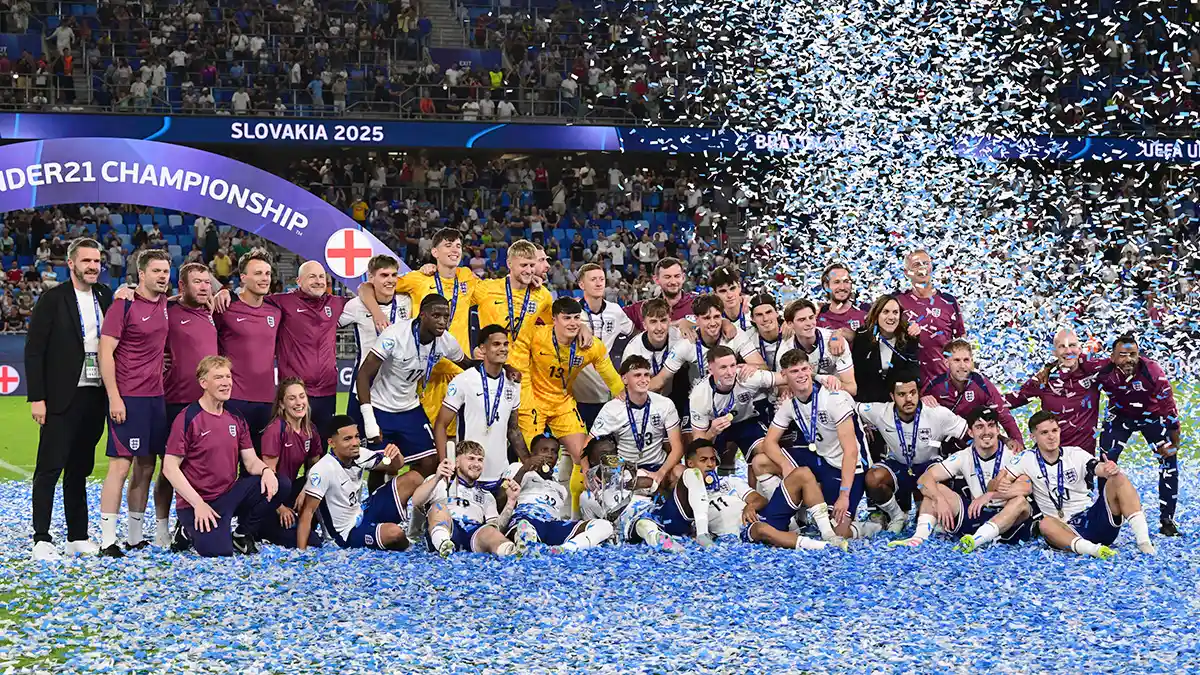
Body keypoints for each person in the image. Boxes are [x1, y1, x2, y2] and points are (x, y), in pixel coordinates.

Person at [27, 238, 112, 561]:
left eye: (97, 261)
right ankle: (41, 538)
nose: (93, 266)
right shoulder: (53, 299)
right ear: (71, 264)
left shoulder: (105, 296)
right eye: (87, 261)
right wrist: (38, 398)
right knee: (49, 468)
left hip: (96, 394)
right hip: (62, 396)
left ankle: (77, 536)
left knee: (79, 469)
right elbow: (34, 351)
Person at [509, 297, 625, 517]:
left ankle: (575, 516)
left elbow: (613, 380)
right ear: (554, 319)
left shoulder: (590, 345)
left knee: (583, 456)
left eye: (576, 318)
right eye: (566, 318)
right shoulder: (536, 335)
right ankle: (521, 510)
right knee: (531, 457)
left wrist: (629, 399)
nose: (572, 323)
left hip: (563, 402)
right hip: (533, 401)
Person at [161, 356, 286, 557]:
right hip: (198, 502)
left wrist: (266, 471)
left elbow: (250, 461)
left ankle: (242, 533)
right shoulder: (188, 418)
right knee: (218, 551)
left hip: (228, 495)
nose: (226, 382)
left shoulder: (235, 417)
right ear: (203, 383)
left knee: (281, 484)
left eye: (228, 377)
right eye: (219, 377)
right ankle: (186, 530)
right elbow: (169, 467)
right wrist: (198, 504)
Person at [996, 410, 1157, 558]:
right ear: (1033, 437)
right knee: (1045, 524)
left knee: (1118, 478)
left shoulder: (1075, 453)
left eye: (1054, 431)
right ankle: (1095, 551)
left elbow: (1097, 467)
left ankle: (1144, 542)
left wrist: (1108, 469)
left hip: (1092, 519)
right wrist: (1003, 486)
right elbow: (1001, 482)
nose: (1051, 436)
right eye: (1044, 433)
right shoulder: (1026, 458)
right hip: (1063, 530)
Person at [97, 249, 172, 557]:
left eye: (166, 271)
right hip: (128, 397)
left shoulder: (165, 303)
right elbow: (105, 353)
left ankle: (134, 536)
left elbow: (193, 295)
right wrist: (114, 396)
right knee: (120, 466)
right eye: (156, 271)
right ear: (141, 274)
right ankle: (107, 541)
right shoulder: (123, 305)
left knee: (147, 466)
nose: (163, 276)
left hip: (156, 397)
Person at [756, 352, 874, 541]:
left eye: (804, 369)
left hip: (847, 465)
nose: (801, 375)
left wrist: (844, 495)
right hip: (819, 457)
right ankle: (793, 516)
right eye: (794, 371)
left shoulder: (834, 397)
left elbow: (851, 451)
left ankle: (867, 528)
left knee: (839, 531)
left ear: (810, 369)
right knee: (761, 462)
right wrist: (786, 467)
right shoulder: (790, 404)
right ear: (784, 375)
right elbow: (769, 442)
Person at [356, 295, 479, 475]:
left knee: (430, 461)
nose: (442, 322)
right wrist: (369, 420)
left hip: (409, 407)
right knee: (385, 464)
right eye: (436, 316)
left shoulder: (447, 341)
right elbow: (363, 375)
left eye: (446, 316)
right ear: (422, 315)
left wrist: (502, 366)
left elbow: (468, 365)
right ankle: (383, 492)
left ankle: (408, 491)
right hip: (380, 406)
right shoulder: (395, 335)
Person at [892, 409, 1034, 551]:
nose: (986, 432)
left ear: (998, 430)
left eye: (991, 426)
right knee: (935, 489)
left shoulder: (1013, 455)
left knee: (1020, 502)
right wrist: (939, 499)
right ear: (971, 432)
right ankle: (918, 538)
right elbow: (923, 479)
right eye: (979, 427)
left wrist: (991, 495)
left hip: (1008, 518)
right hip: (976, 513)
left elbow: (1026, 487)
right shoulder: (963, 456)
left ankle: (976, 541)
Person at [857, 371, 968, 533]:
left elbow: (968, 434)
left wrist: (1002, 442)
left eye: (912, 393)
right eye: (902, 394)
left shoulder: (937, 413)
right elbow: (851, 408)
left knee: (941, 475)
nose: (909, 399)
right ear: (892, 396)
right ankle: (897, 516)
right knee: (873, 478)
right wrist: (862, 424)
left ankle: (927, 515)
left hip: (928, 467)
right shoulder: (880, 412)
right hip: (898, 466)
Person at [1094, 334, 1182, 535]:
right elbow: (1078, 364)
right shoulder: (1103, 369)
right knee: (1106, 462)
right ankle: (1104, 514)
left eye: (1133, 354)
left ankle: (1167, 520)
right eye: (1122, 355)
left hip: (1152, 417)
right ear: (1112, 357)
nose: (1129, 359)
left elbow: (1169, 406)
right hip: (1119, 417)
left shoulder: (1152, 371)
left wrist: (1174, 443)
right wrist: (1047, 369)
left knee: (1169, 461)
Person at [157, 262, 217, 546]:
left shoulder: (214, 311)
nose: (204, 287)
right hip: (174, 401)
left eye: (207, 282)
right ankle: (161, 527)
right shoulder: (166, 310)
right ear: (182, 286)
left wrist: (222, 292)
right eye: (197, 282)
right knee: (169, 467)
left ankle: (190, 523)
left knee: (203, 468)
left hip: (207, 405)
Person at [296, 415, 415, 551]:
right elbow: (307, 513)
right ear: (332, 443)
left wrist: (396, 455)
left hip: (361, 511)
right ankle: (407, 547)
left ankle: (417, 529)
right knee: (395, 533)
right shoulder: (322, 470)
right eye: (347, 439)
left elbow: (394, 465)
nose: (355, 443)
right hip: (346, 534)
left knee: (413, 479)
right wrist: (301, 552)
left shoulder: (360, 454)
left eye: (357, 436)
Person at [435, 324, 526, 491]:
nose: (503, 349)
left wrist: (528, 462)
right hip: (467, 475)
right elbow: (441, 425)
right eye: (496, 344)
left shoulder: (513, 382)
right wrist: (445, 463)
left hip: (500, 475)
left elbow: (513, 430)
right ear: (483, 348)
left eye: (505, 344)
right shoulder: (463, 381)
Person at [213, 249, 281, 448]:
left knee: (260, 461)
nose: (265, 278)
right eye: (258, 273)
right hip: (233, 398)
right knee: (226, 460)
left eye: (267, 273)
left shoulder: (275, 310)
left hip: (267, 400)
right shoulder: (225, 306)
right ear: (243, 277)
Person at [340, 255, 410, 443]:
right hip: (364, 387)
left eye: (394, 275)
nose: (390, 280)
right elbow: (329, 327)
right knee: (355, 444)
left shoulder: (406, 301)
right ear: (371, 278)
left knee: (393, 447)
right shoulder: (355, 306)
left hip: (396, 390)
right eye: (384, 275)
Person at [589, 356, 684, 488]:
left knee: (681, 473)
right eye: (637, 375)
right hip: (626, 468)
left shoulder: (665, 404)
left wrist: (661, 472)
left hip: (658, 465)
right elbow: (588, 443)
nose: (643, 380)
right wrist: (587, 472)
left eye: (646, 375)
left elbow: (677, 447)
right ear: (624, 379)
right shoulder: (612, 409)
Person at [414, 441, 522, 557]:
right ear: (456, 461)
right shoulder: (439, 482)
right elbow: (416, 501)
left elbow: (497, 528)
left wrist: (511, 502)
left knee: (490, 531)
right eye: (471, 458)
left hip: (473, 534)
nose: (476, 464)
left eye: (480, 460)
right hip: (446, 529)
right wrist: (436, 478)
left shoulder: (486, 496)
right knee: (438, 508)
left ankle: (511, 552)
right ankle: (444, 545)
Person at [1005, 328, 1105, 454]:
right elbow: (1007, 402)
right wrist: (1006, 438)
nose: (1068, 351)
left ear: (1079, 349)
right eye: (1062, 346)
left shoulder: (1094, 374)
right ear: (1054, 352)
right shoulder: (1043, 379)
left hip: (1083, 458)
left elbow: (1120, 364)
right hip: (1049, 456)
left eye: (1072, 345)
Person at [506, 436, 615, 551]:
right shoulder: (518, 468)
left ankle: (563, 550)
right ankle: (527, 544)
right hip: (526, 519)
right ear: (532, 453)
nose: (549, 455)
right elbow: (501, 499)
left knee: (605, 526)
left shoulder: (560, 488)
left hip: (552, 525)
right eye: (544, 450)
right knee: (524, 527)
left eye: (554, 451)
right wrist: (524, 468)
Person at [846, 295, 921, 462]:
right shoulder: (863, 336)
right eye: (886, 312)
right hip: (870, 408)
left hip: (897, 407)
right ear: (876, 314)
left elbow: (912, 373)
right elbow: (859, 378)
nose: (891, 317)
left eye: (895, 312)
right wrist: (863, 418)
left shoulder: (909, 337)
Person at [920, 339, 1024, 452]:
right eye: (956, 360)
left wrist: (1017, 441)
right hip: (941, 444)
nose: (962, 366)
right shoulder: (935, 386)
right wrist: (922, 399)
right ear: (946, 363)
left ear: (972, 362)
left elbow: (1003, 414)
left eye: (966, 360)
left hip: (974, 440)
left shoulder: (981, 384)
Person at [688, 345, 780, 473]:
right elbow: (697, 442)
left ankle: (760, 485)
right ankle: (715, 482)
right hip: (716, 427)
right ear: (710, 370)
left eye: (732, 365)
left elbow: (785, 377)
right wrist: (712, 432)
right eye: (723, 367)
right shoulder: (699, 395)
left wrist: (786, 391)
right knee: (701, 459)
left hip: (746, 421)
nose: (730, 372)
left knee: (765, 453)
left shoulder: (747, 375)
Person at [650, 294, 762, 394]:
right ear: (696, 320)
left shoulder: (735, 335)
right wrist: (639, 390)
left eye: (716, 317)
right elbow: (660, 380)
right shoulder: (686, 344)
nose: (713, 323)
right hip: (699, 399)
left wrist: (753, 367)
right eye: (707, 318)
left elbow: (762, 366)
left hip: (732, 396)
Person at [259, 378, 323, 548]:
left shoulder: (310, 430)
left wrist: (306, 489)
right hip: (270, 498)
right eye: (292, 398)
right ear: (282, 404)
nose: (299, 402)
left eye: (302, 396)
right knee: (311, 542)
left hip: (290, 492)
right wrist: (280, 507)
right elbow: (267, 476)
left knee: (323, 482)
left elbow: (316, 469)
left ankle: (321, 526)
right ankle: (261, 528)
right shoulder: (275, 430)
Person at [573, 263, 634, 427]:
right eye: (593, 279)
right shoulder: (572, 313)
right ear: (581, 285)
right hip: (578, 391)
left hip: (607, 388)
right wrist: (580, 325)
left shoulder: (615, 310)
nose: (599, 283)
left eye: (601, 279)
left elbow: (632, 333)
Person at [894, 249, 964, 387]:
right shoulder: (898, 301)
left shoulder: (949, 301)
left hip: (944, 383)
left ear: (931, 267)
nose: (922, 268)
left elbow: (961, 340)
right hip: (909, 386)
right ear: (906, 272)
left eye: (926, 263)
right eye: (916, 265)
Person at [470, 239, 554, 345]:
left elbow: (558, 326)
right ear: (510, 264)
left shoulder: (543, 295)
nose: (547, 265)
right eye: (524, 265)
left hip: (525, 355)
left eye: (531, 265)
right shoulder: (487, 288)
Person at [778, 299, 856, 395]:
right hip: (804, 398)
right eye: (802, 320)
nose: (809, 323)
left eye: (811, 317)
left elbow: (852, 389)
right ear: (790, 324)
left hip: (835, 394)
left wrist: (832, 385)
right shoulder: (785, 351)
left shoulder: (836, 341)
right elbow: (783, 388)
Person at [619, 298, 678, 397]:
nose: (659, 328)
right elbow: (629, 388)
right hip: (643, 397)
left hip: (674, 395)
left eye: (663, 321)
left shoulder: (678, 337)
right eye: (653, 322)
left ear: (669, 321)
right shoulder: (633, 351)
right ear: (645, 325)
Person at [623, 257, 697, 333]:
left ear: (683, 278)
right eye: (667, 277)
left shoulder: (697, 303)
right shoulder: (640, 309)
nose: (673, 282)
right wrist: (676, 323)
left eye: (677, 276)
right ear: (656, 280)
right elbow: (616, 314)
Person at [816, 262, 867, 332]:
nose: (842, 287)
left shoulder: (864, 314)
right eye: (836, 282)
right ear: (826, 286)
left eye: (846, 281)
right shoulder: (817, 317)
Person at [711, 266, 751, 335]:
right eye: (723, 291)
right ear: (715, 294)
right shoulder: (712, 317)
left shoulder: (753, 308)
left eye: (732, 288)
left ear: (739, 287)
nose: (729, 295)